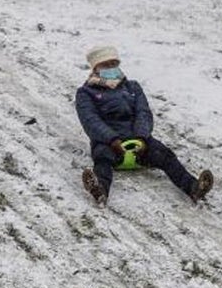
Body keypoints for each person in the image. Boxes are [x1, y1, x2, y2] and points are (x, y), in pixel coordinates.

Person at [75, 45, 214, 207]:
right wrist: (112, 139)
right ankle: (99, 190)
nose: (111, 68)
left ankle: (194, 188)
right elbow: (90, 120)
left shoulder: (132, 87)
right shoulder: (86, 93)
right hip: (109, 142)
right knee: (102, 159)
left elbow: (143, 112)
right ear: (95, 67)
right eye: (106, 65)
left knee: (165, 156)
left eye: (114, 64)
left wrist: (142, 136)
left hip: (139, 140)